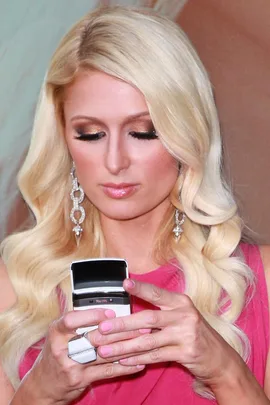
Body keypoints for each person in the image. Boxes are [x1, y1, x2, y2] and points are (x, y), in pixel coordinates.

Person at [0, 5, 269, 405]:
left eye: (143, 132)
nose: (114, 162)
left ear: (186, 132)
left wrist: (225, 370)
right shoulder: (16, 289)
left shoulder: (261, 282)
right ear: (63, 139)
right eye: (90, 134)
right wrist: (39, 391)